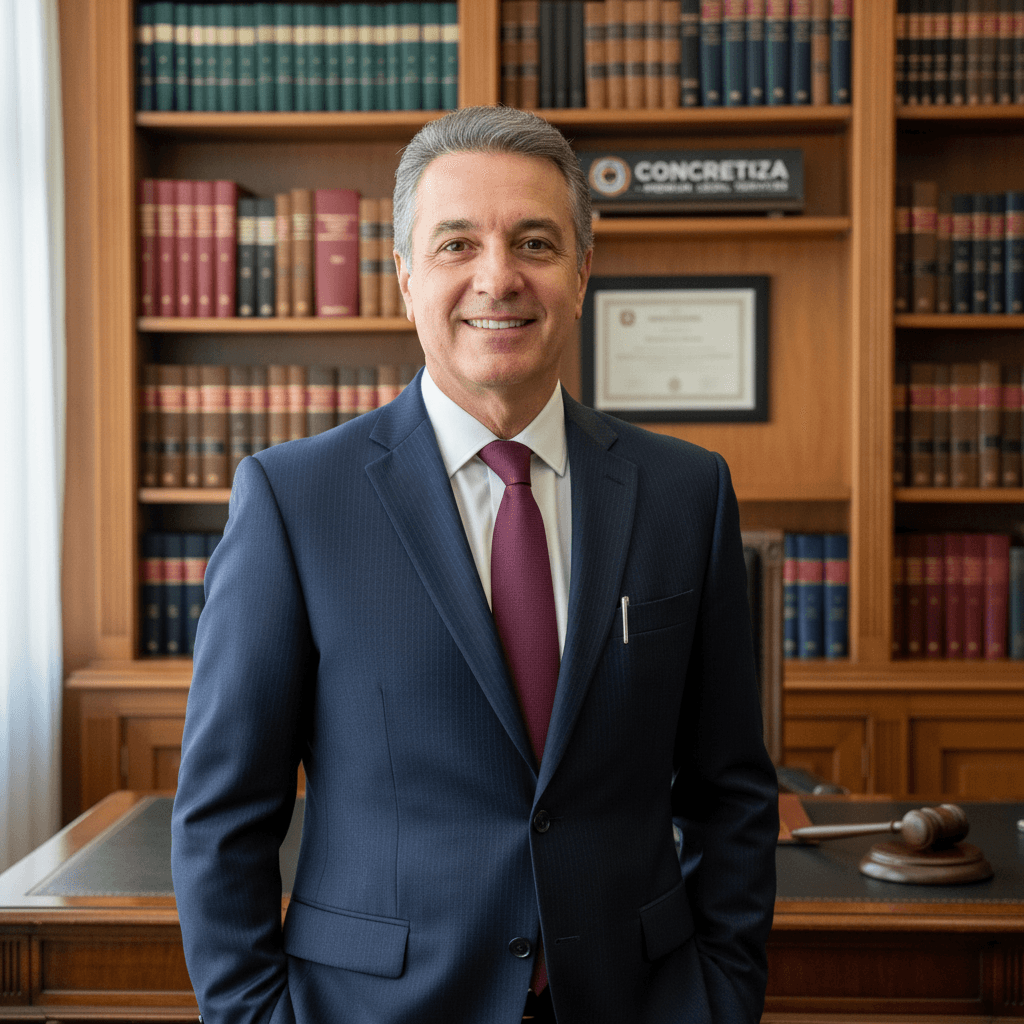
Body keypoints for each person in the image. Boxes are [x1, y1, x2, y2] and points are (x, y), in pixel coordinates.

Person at [171, 105, 778, 1024]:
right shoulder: (294, 500)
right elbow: (223, 820)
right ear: (406, 279)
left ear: (580, 272)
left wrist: (722, 996)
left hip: (637, 999)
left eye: (534, 241)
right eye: (457, 244)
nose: (499, 277)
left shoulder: (688, 492)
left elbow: (730, 790)